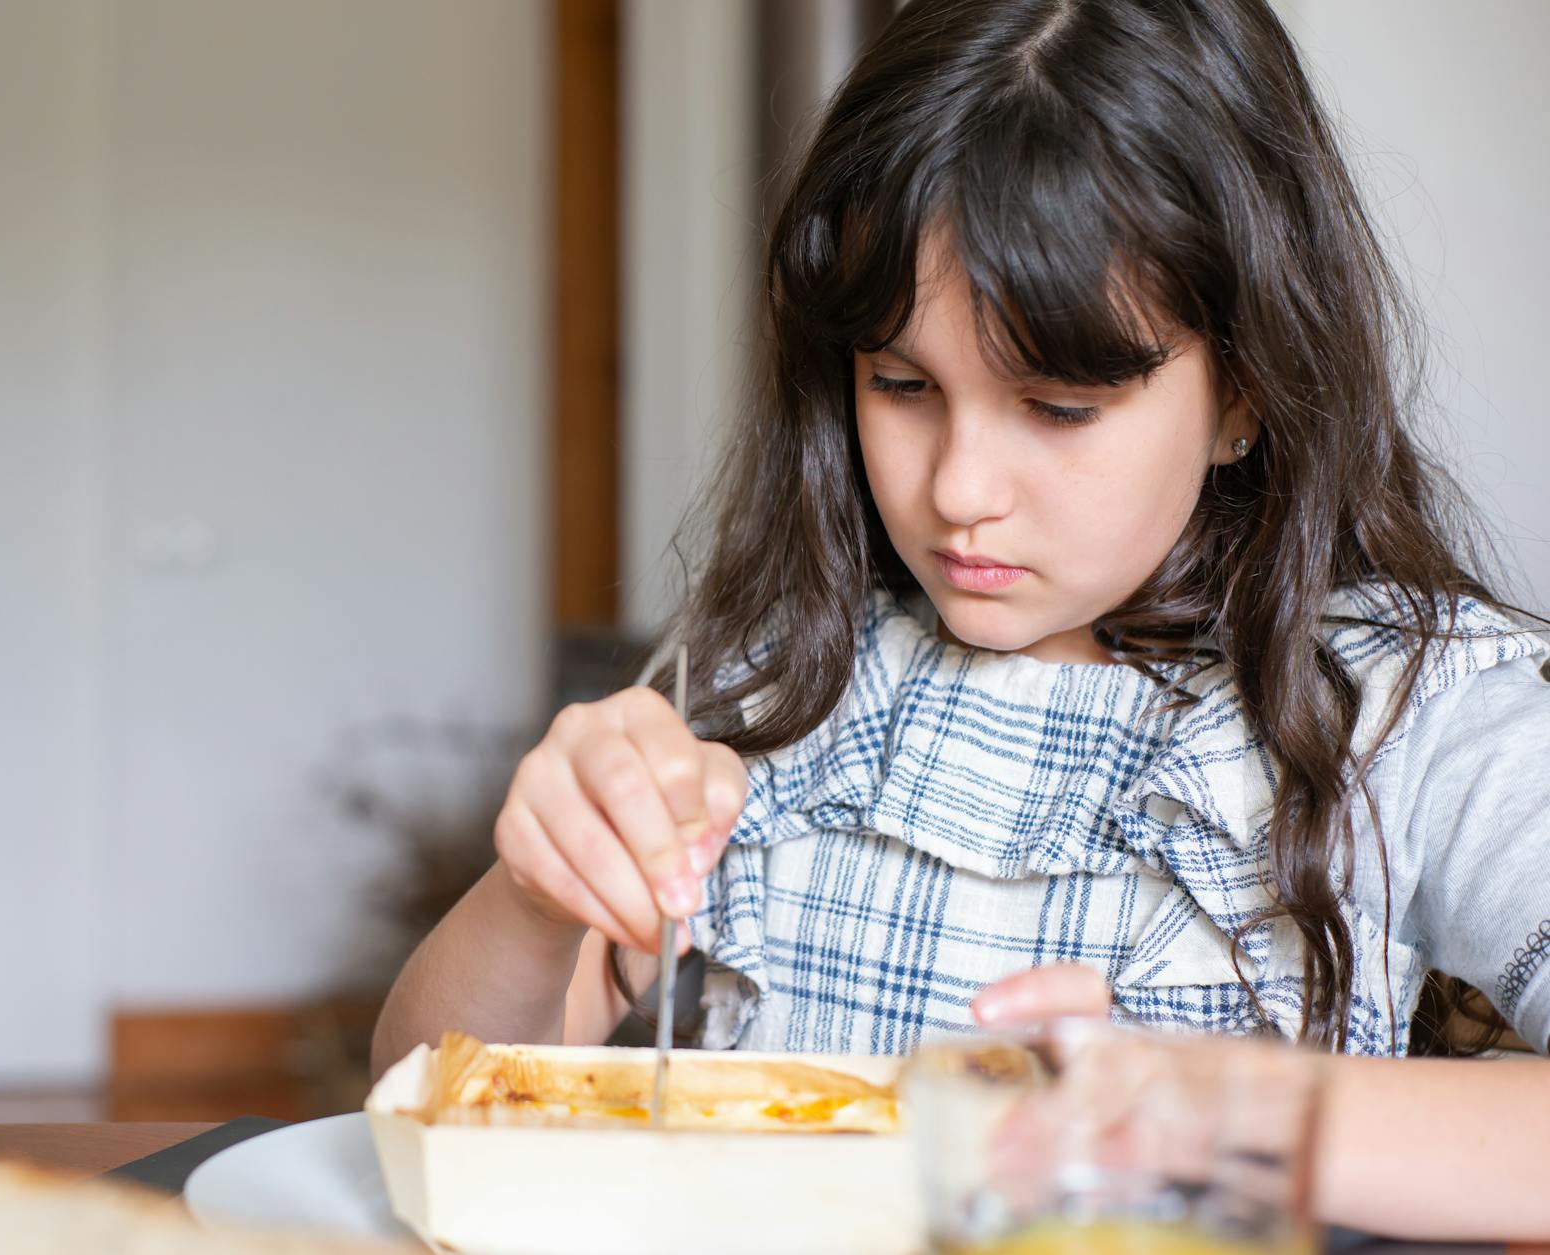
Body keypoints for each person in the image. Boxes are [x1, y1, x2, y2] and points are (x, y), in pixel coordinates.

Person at [374, 0, 1550, 1239]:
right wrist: (530, 894)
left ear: (1240, 393)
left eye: (1054, 405)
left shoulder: (1416, 715)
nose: (956, 490)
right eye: (900, 385)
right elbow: (424, 1104)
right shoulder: (773, 682)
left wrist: (1229, 1112)